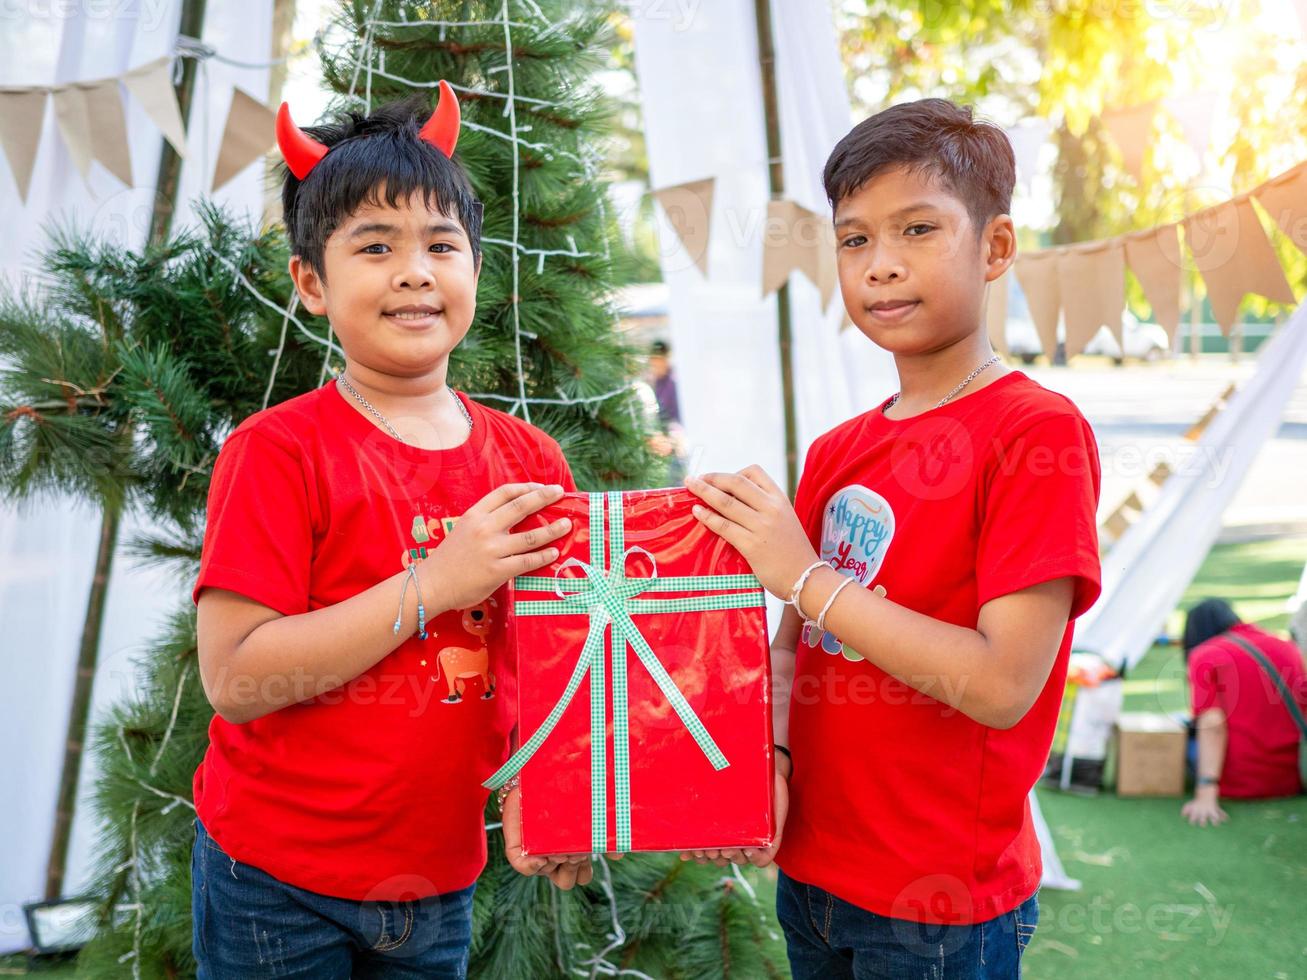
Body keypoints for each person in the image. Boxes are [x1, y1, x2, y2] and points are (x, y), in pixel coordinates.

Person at [683, 98, 1102, 978]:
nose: (880, 266)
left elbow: (998, 684)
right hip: (810, 872)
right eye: (853, 239)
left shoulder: (1034, 431)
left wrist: (804, 577)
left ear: (993, 248)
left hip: (937, 902)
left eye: (917, 229)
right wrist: (774, 758)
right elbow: (796, 646)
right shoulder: (838, 450)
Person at [190, 88, 586, 979]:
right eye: (375, 247)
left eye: (442, 246)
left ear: (476, 272)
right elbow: (238, 678)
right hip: (275, 880)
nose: (415, 272)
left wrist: (550, 794)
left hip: (438, 879)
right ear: (311, 284)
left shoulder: (530, 459)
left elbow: (553, 657)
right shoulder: (278, 451)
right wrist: (435, 585)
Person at [1179, 598, 1307, 827]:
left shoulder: (1205, 654)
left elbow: (1213, 723)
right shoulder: (1287, 647)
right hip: (1291, 778)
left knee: (1180, 732)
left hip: (1240, 782)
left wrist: (1206, 791)